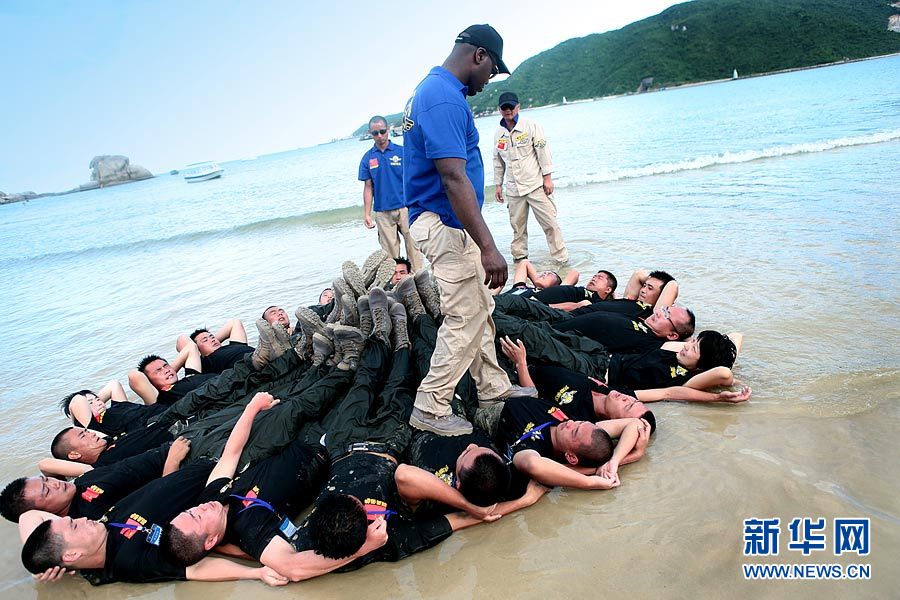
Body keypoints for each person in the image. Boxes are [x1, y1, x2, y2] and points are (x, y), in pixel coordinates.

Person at [403, 24, 534, 436]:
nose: (489, 79)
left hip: (448, 222)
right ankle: (431, 404)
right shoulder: (441, 97)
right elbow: (453, 177)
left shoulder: (435, 91)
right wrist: (490, 247)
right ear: (479, 55)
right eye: (492, 69)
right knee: (466, 312)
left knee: (482, 306)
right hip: (443, 223)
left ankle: (492, 386)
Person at [493, 91, 568, 263]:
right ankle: (520, 260)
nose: (508, 110)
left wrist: (547, 178)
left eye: (511, 107)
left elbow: (543, 152)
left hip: (535, 185)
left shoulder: (531, 126)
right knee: (517, 229)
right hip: (513, 189)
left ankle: (561, 260)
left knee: (550, 224)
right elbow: (497, 161)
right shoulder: (499, 134)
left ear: (518, 107)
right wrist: (498, 185)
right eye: (504, 107)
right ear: (499, 110)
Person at [359, 115, 423, 272]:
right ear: (370, 134)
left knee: (414, 248)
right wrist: (367, 214)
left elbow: (414, 177)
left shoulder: (402, 152)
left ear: (388, 130)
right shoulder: (368, 158)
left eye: (382, 131)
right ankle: (396, 284)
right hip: (383, 212)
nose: (380, 136)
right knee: (390, 256)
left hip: (406, 208)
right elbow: (368, 187)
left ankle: (419, 279)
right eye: (375, 133)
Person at [60, 383, 166, 436]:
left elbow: (113, 385)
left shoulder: (118, 406)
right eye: (89, 403)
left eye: (97, 399)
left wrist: (94, 402)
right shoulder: (95, 427)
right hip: (157, 421)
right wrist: (86, 414)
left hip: (162, 408)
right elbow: (76, 401)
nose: (98, 402)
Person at [127, 353, 217, 406]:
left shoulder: (190, 376)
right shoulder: (161, 397)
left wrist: (170, 372)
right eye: (158, 371)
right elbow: (134, 376)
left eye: (166, 366)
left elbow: (190, 347)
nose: (166, 370)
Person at [176, 320, 254, 375]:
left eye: (212, 336)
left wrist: (212, 340)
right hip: (248, 365)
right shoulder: (206, 362)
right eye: (205, 340)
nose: (212, 339)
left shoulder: (234, 345)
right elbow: (181, 339)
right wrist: (195, 352)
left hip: (256, 355)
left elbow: (235, 323)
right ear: (197, 351)